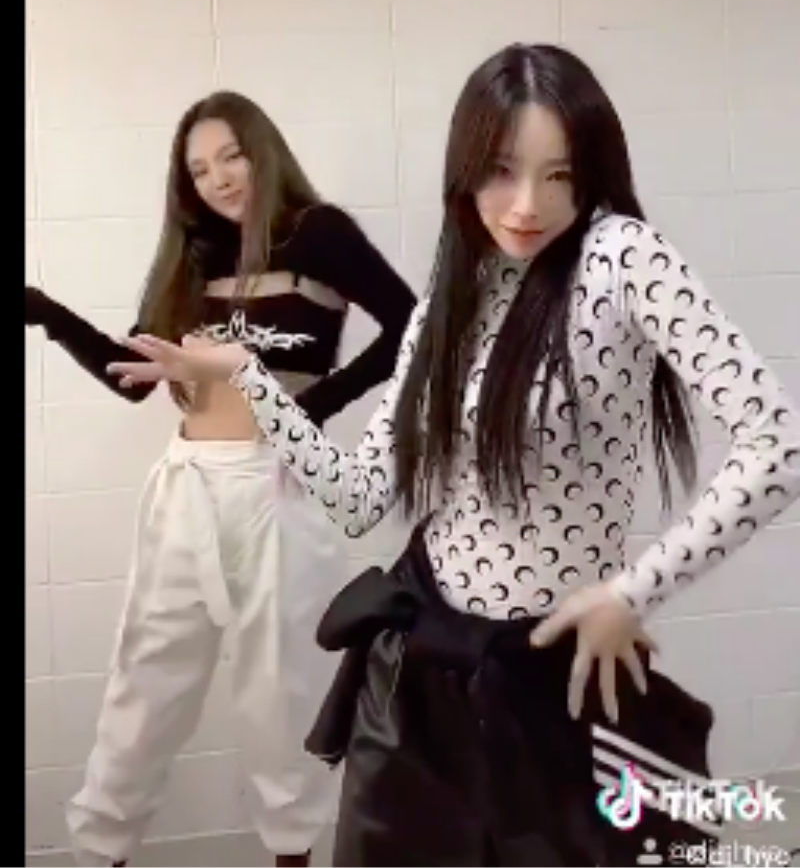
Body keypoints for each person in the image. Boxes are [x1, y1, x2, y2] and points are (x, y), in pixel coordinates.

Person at [105, 47, 800, 868]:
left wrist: (633, 590)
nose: (527, 204)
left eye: (559, 174)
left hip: (554, 671)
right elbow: (360, 496)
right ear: (465, 169)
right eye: (501, 171)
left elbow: (778, 444)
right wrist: (250, 378)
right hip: (423, 662)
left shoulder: (623, 256)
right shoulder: (456, 284)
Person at [25, 90, 416, 868]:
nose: (219, 179)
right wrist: (42, 310)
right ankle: (100, 851)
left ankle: (292, 853)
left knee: (283, 693)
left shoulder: (318, 233)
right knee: (143, 686)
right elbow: (133, 376)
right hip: (187, 486)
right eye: (200, 170)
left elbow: (412, 324)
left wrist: (311, 408)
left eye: (231, 156)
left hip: (277, 489)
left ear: (261, 149)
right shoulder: (195, 252)